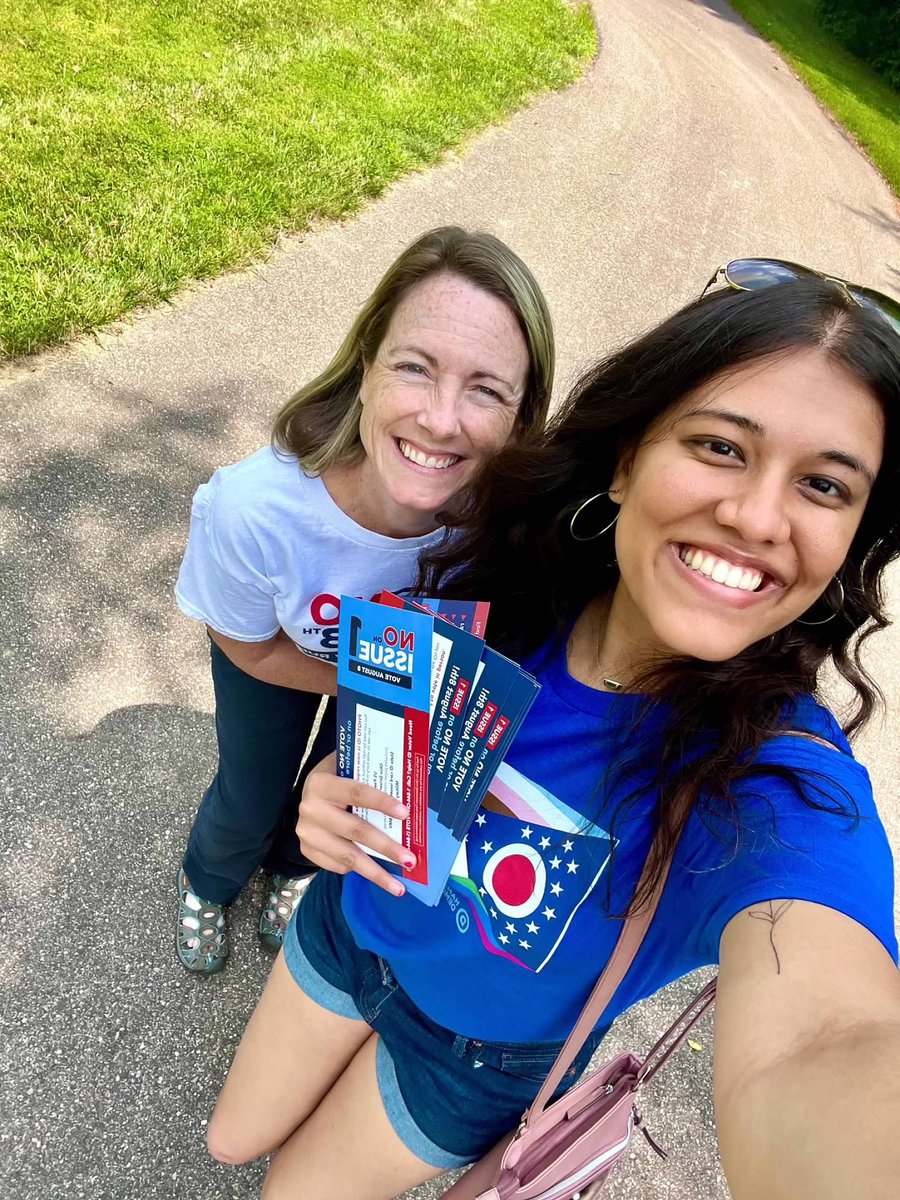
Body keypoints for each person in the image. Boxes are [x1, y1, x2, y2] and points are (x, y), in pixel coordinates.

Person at [206, 261, 900, 1200]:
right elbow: (380, 738)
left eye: (824, 487)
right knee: (227, 1140)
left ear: (855, 537)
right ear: (625, 461)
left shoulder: (778, 789)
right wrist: (334, 786)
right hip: (350, 928)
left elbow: (828, 1036)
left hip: (471, 1061)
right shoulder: (497, 579)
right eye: (722, 448)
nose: (755, 516)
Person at [172, 226, 555, 973]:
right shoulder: (254, 509)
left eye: (486, 389)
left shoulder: (501, 532)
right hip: (275, 657)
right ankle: (208, 878)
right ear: (365, 366)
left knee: (347, 785)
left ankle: (293, 868)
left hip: (395, 683)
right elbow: (245, 645)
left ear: (520, 416)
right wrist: (378, 680)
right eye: (416, 367)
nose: (442, 420)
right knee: (249, 788)